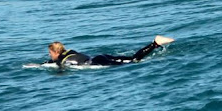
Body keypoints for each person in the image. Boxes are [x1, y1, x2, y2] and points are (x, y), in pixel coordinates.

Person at [45, 35, 175, 68]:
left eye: (50, 53)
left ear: (55, 52)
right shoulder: (68, 52)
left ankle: (155, 43)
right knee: (132, 59)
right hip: (100, 56)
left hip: (96, 62)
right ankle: (155, 44)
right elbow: (52, 60)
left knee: (133, 62)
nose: (50, 55)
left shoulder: (61, 61)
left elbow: (59, 66)